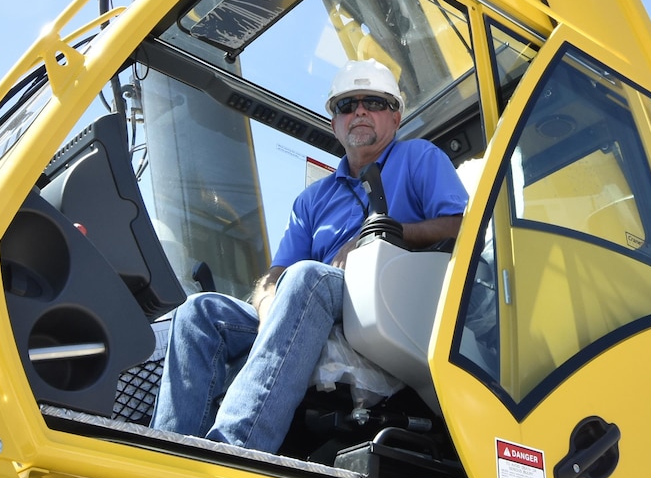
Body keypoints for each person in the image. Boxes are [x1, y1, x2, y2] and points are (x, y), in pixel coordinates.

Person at [152, 59, 469, 452]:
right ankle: (171, 449)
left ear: (396, 116)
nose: (360, 112)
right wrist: (269, 302)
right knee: (199, 312)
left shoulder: (420, 158)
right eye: (346, 105)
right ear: (334, 122)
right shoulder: (312, 199)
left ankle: (236, 448)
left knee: (308, 278)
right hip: (309, 300)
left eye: (374, 102)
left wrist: (383, 234)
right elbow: (276, 273)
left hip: (389, 300)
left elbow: (461, 226)